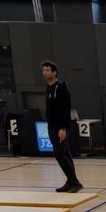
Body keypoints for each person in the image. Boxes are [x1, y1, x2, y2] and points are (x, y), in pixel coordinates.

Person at [40, 60, 82, 193]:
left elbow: (65, 109)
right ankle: (70, 181)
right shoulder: (48, 88)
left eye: (48, 70)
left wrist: (63, 128)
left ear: (54, 72)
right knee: (66, 154)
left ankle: (75, 182)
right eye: (43, 70)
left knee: (59, 155)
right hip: (51, 126)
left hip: (60, 128)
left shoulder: (61, 88)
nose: (45, 72)